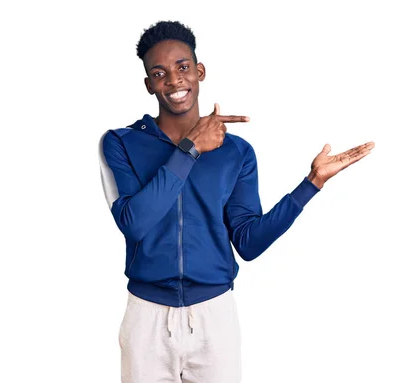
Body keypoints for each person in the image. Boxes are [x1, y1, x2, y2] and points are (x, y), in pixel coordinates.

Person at [99, 20, 375, 383]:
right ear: (149, 84)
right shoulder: (120, 143)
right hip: (146, 318)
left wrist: (312, 183)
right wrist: (191, 149)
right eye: (159, 73)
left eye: (183, 67)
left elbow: (248, 242)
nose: (174, 80)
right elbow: (135, 222)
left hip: (215, 317)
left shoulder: (237, 152)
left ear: (199, 72)